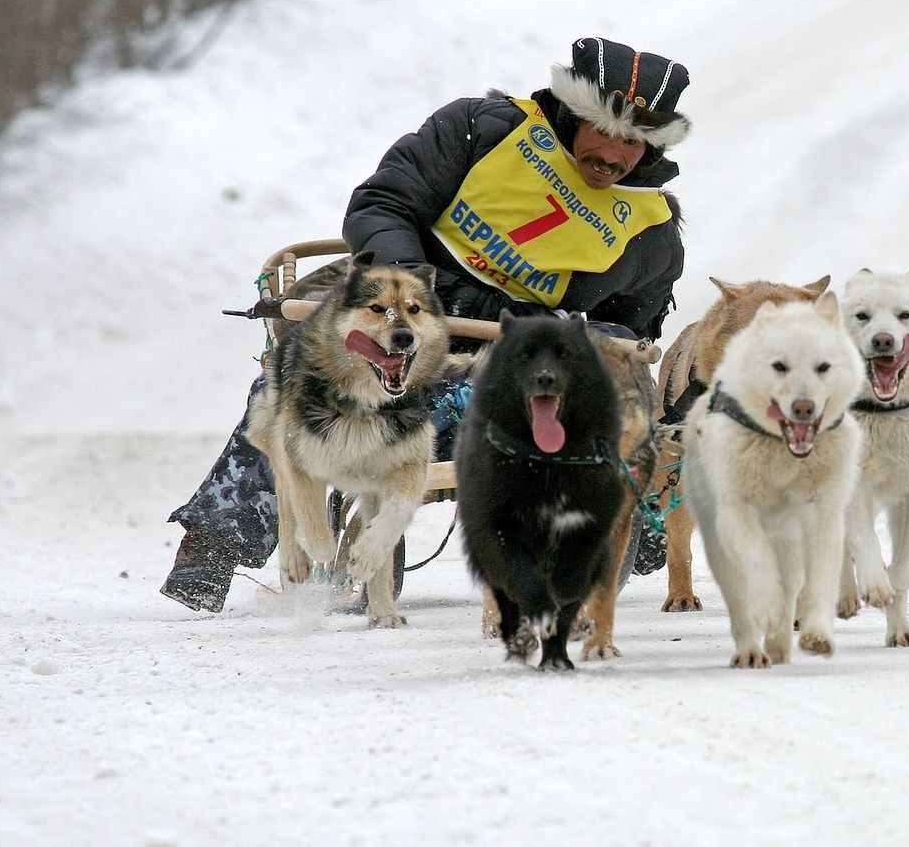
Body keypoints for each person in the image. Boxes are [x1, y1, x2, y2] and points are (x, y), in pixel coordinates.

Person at [160, 37, 691, 612]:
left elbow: (628, 338)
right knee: (298, 392)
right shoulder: (479, 130)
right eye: (604, 129)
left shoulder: (650, 233)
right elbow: (384, 203)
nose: (614, 154)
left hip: (508, 358)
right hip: (403, 315)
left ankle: (619, 536)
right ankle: (213, 546)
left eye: (636, 142)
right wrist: (411, 292)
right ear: (573, 110)